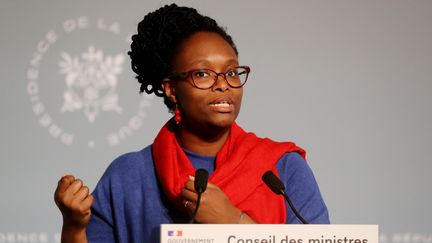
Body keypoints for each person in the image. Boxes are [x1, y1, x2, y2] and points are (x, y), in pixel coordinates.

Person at [54, 3, 330, 243]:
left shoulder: (282, 168)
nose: (224, 85)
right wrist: (75, 227)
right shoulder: (128, 175)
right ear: (171, 89)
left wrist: (234, 223)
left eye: (232, 72)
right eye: (202, 74)